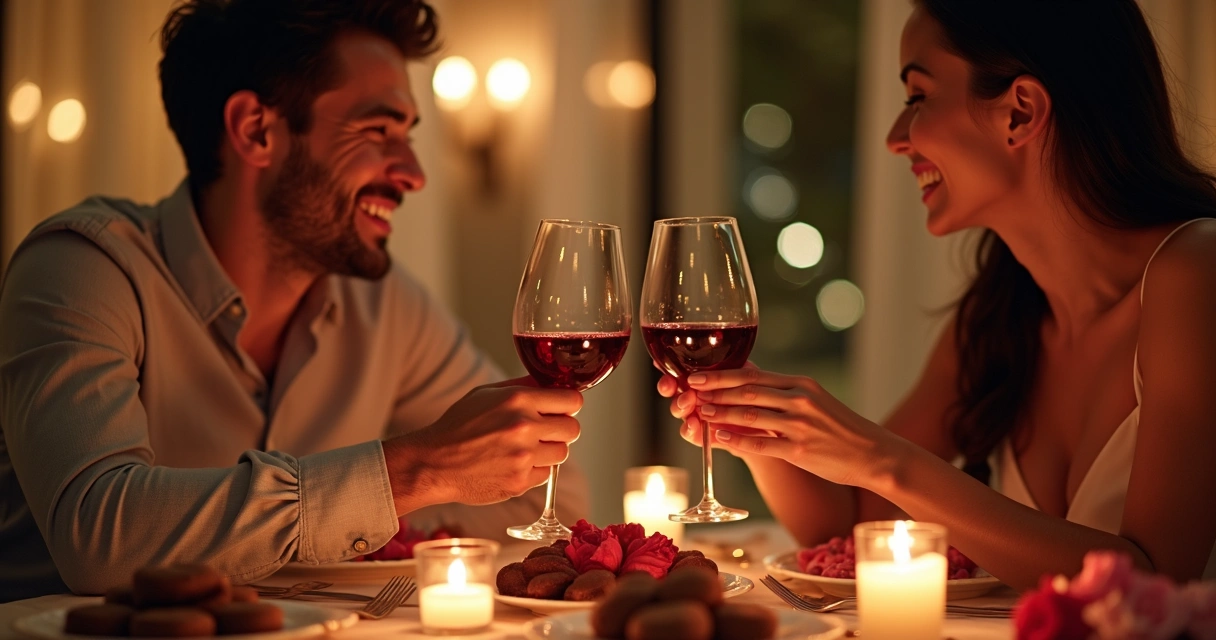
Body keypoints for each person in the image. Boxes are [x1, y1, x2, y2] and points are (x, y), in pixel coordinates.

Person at [0, 0, 587, 602]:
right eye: (378, 131)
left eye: (408, 137)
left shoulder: (386, 307)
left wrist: (372, 522)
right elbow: (100, 539)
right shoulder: (84, 267)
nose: (413, 173)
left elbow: (546, 500)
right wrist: (412, 472)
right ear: (256, 130)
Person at [659, 0, 1216, 588]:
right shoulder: (1002, 315)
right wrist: (752, 427)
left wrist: (882, 459)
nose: (896, 139)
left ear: (1020, 112)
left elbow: (1156, 582)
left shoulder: (1195, 273)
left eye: (918, 97)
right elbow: (847, 525)